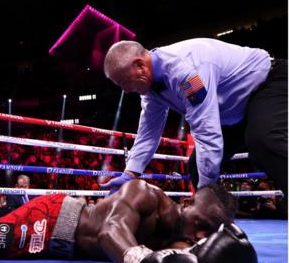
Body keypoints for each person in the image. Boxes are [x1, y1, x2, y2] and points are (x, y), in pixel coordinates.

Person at [0, 180, 256, 262]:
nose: (196, 233)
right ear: (187, 204)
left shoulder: (189, 241)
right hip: (52, 220)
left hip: (59, 240)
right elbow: (113, 232)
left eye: (204, 232)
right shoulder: (146, 195)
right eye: (198, 222)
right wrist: (145, 260)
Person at [101, 39, 287, 200]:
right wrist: (130, 173)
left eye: (124, 82)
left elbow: (207, 132)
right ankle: (216, 226)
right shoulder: (150, 89)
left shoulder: (186, 72)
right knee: (197, 168)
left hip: (267, 83)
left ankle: (208, 207)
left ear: (140, 65)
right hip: (233, 111)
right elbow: (148, 132)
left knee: (264, 140)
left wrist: (204, 196)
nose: (125, 90)